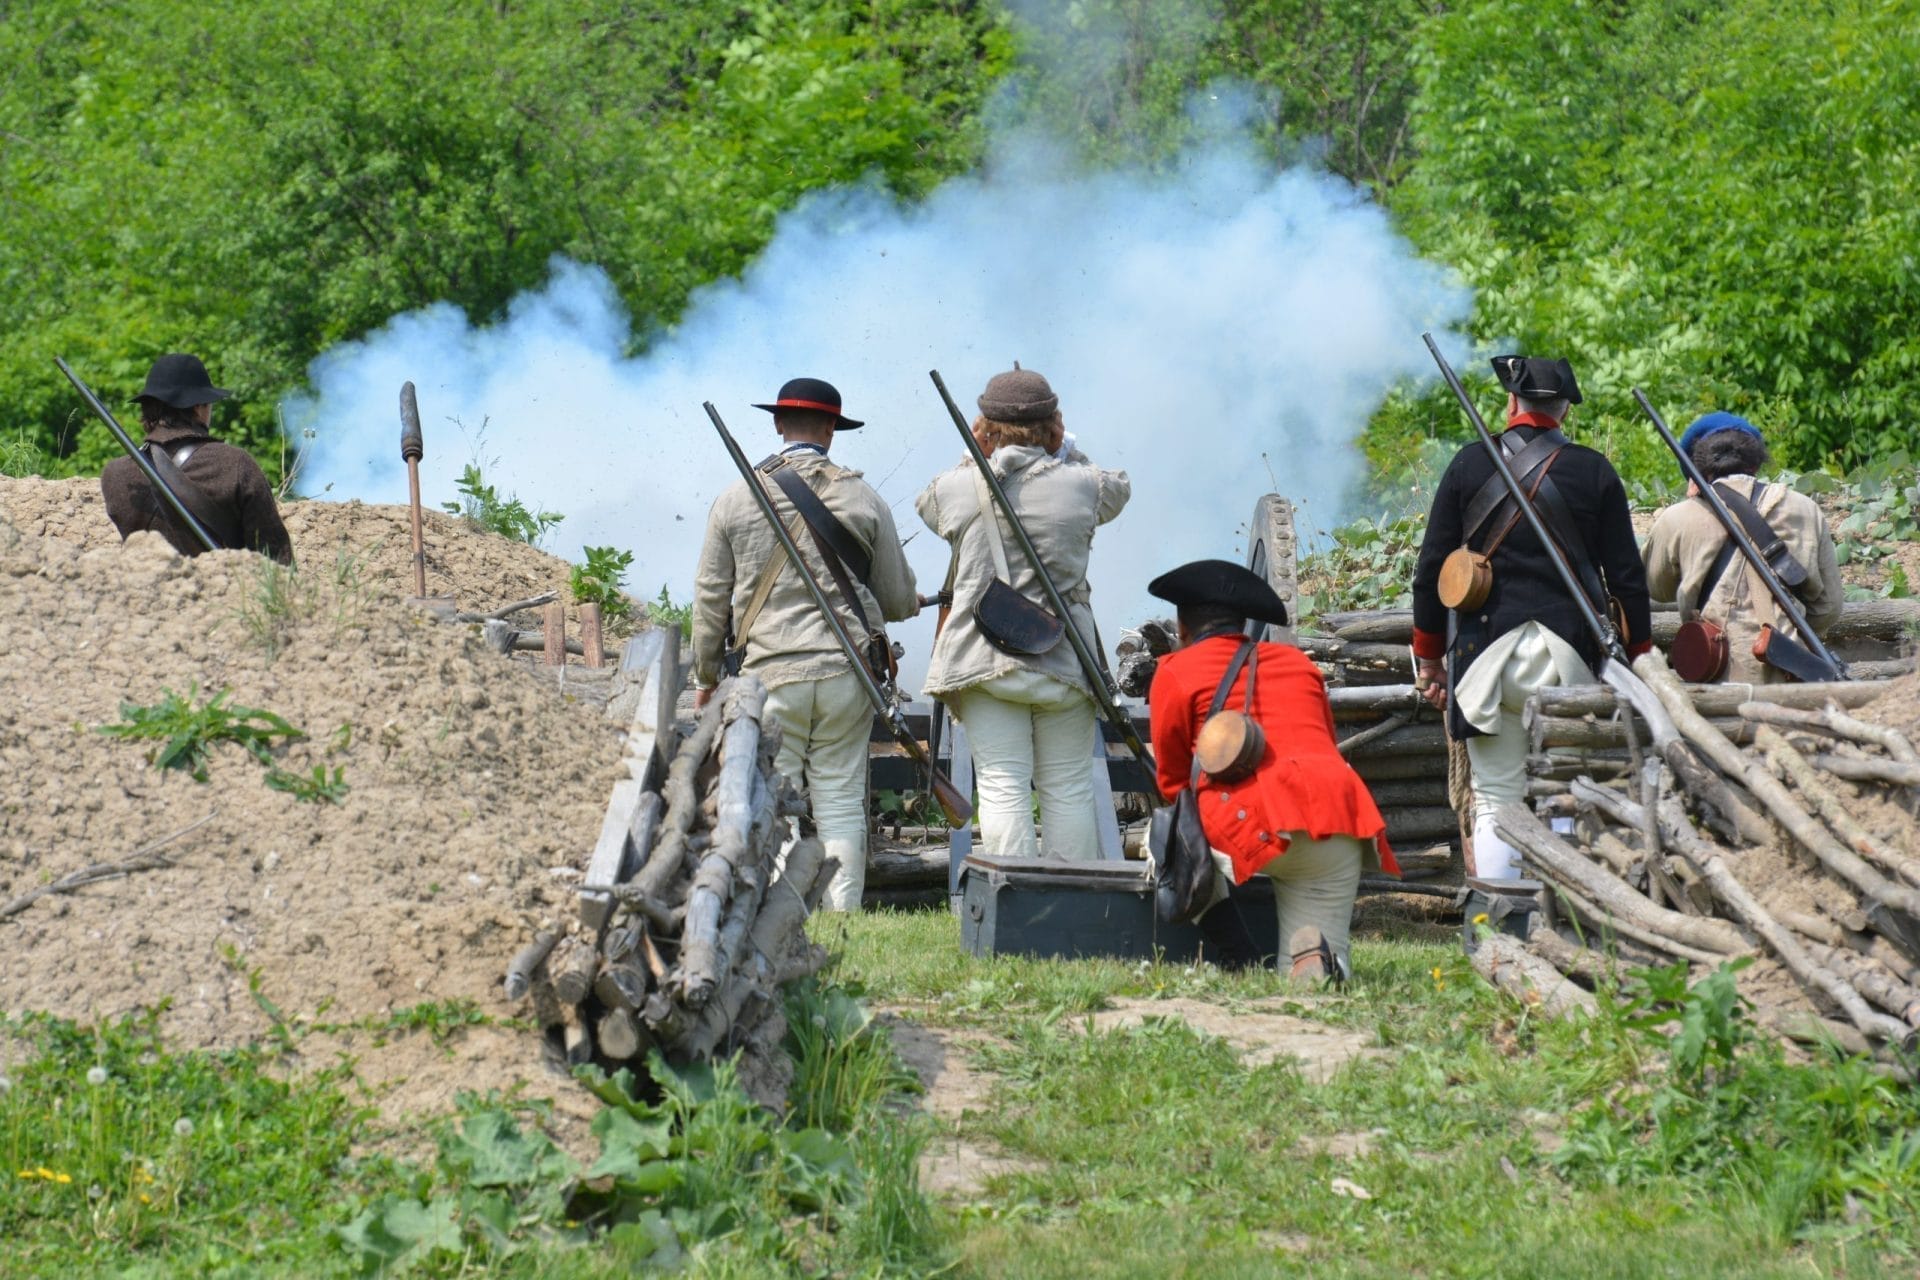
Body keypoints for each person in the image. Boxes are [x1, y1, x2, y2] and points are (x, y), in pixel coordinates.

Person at [1409, 355, 1652, 881]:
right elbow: (1628, 578)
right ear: (1565, 410)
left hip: (1486, 659)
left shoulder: (1469, 464)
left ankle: (1504, 919)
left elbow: (1431, 572)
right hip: (1569, 658)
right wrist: (1639, 657)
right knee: (1563, 792)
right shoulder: (1595, 471)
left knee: (1496, 797)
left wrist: (1429, 659)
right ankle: (1561, 919)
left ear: (1512, 402)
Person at [691, 377, 919, 911]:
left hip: (768, 673)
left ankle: (779, 916)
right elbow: (896, 599)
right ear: (832, 432)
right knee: (840, 801)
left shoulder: (735, 497)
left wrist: (705, 678)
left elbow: (709, 600)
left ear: (777, 424)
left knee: (777, 800)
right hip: (847, 675)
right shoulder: (864, 497)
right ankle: (844, 915)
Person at [1146, 559, 1399, 982]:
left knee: (1167, 839)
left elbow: (1172, 782)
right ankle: (1315, 970)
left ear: (1182, 627)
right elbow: (1321, 741)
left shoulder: (1174, 671)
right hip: (1339, 817)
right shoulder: (1298, 663)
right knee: (1315, 951)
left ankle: (1239, 957)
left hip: (1250, 817)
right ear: (1242, 625)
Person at [916, 365, 1129, 860]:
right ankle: (1070, 901)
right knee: (1069, 788)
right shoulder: (1083, 482)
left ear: (984, 427)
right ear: (1051, 424)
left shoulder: (959, 486)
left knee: (1001, 784)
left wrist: (975, 453)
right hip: (1065, 658)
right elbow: (1117, 488)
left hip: (984, 657)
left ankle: (1009, 903)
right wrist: (1066, 447)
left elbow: (928, 503)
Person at [1642, 411, 1844, 683]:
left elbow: (1658, 588)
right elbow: (1828, 608)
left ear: (1696, 470)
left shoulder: (1677, 518)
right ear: (1755, 463)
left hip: (1716, 674)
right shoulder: (1805, 509)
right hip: (1794, 673)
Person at [101, 354, 294, 564]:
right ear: (197, 407)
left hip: (144, 593)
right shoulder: (236, 464)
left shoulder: (115, 474)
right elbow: (276, 560)